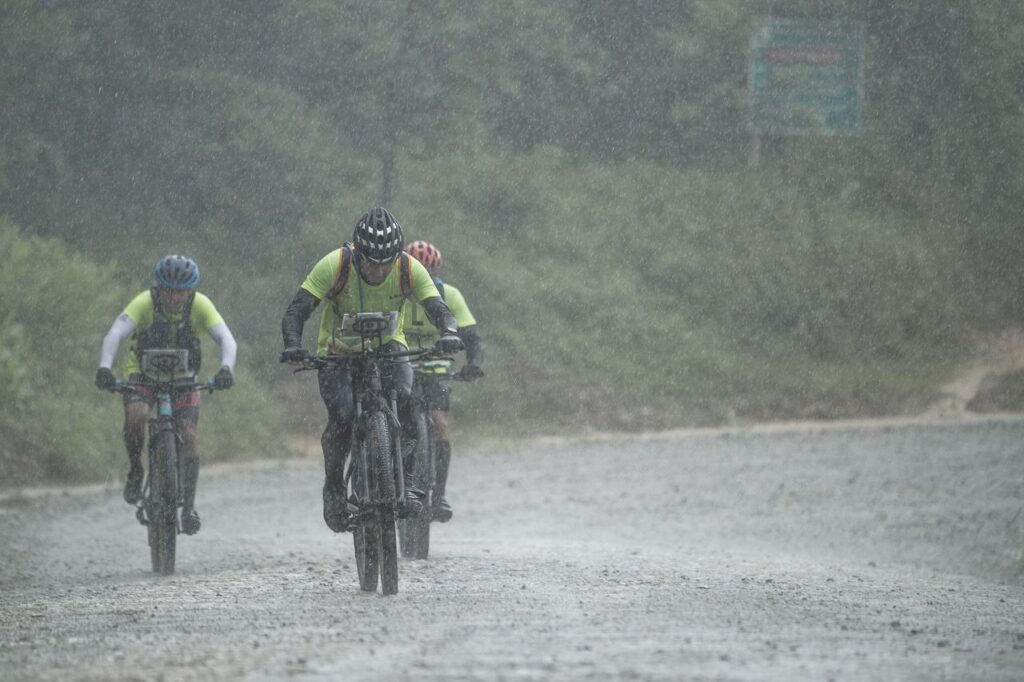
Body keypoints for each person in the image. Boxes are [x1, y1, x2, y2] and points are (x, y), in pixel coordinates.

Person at [279, 207, 464, 533]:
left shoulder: (408, 268)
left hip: (390, 348)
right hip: (338, 353)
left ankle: (406, 481)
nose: (378, 269)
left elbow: (439, 309)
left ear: (396, 255)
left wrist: (449, 332)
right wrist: (293, 344)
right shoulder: (335, 265)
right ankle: (334, 489)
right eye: (370, 261)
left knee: (408, 403)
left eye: (385, 262)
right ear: (357, 252)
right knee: (343, 416)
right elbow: (297, 311)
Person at [94, 255, 237, 535]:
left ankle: (189, 508)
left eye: (181, 291)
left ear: (191, 290)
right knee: (137, 415)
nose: (174, 297)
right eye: (168, 290)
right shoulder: (144, 303)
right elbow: (115, 334)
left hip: (183, 380)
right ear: (158, 289)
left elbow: (226, 339)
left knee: (190, 439)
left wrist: (225, 368)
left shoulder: (201, 305)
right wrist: (104, 367)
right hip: (143, 376)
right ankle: (136, 469)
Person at [401, 240, 484, 522]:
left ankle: (439, 495)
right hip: (403, 364)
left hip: (437, 369)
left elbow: (471, 334)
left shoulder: (450, 294)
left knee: (439, 423)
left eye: (430, 272)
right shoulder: (396, 292)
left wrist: (474, 364)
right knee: (396, 417)